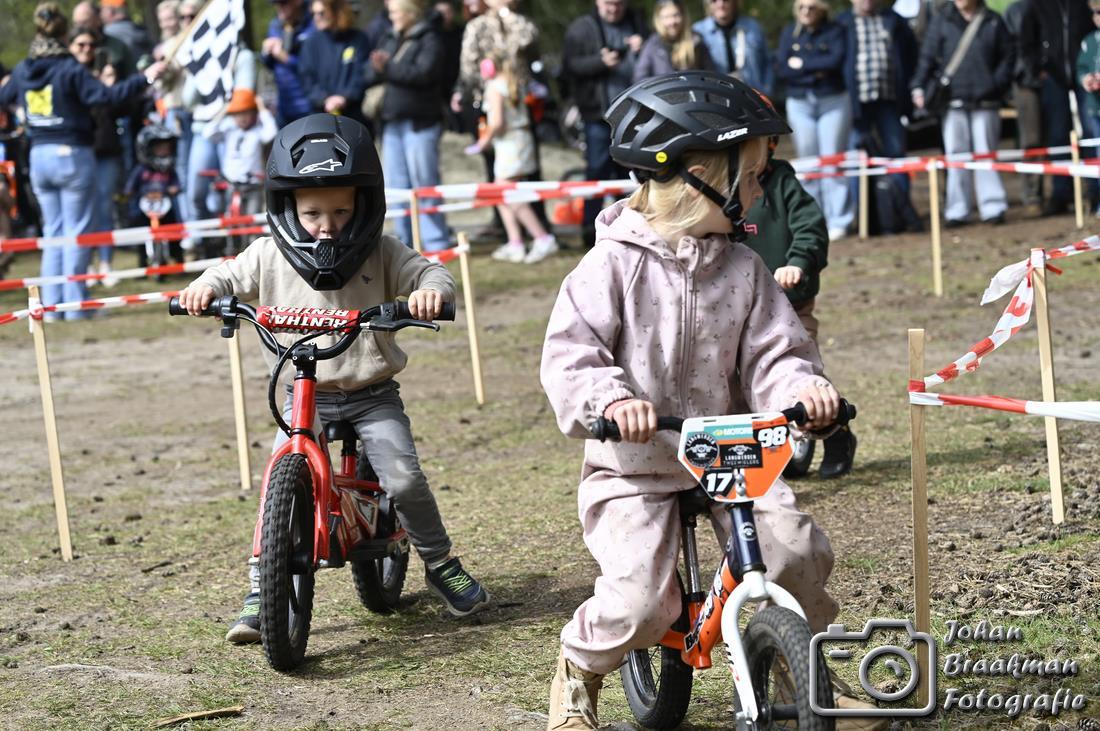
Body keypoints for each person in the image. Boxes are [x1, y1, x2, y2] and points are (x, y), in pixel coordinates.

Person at [539, 70, 874, 731]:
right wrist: (611, 400)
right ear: (700, 177)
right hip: (637, 465)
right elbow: (571, 358)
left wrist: (804, 391)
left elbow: (777, 352)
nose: (760, 192)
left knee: (794, 550)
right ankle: (577, 672)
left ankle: (805, 672)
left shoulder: (745, 270)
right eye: (750, 179)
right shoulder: (610, 267)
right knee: (639, 600)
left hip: (732, 456)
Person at [176, 113, 490, 643]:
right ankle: (260, 587)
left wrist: (429, 293)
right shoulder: (268, 254)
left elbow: (430, 272)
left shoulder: (381, 250)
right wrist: (204, 288)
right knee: (277, 476)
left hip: (371, 393)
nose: (327, 224)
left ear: (363, 205)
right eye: (313, 212)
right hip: (304, 395)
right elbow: (226, 274)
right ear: (288, 207)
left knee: (403, 478)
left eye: (341, 211)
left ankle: (440, 563)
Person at [0, 2, 164, 318]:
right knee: (77, 231)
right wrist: (144, 78)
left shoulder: (22, 69)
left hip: (39, 156)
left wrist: (25, 114)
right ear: (64, 34)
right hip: (72, 155)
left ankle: (48, 308)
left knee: (53, 233)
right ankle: (75, 307)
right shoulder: (69, 68)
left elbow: (4, 97)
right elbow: (107, 96)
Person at [744, 136, 857, 479]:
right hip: (743, 307)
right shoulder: (724, 190)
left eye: (753, 148)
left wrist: (797, 262)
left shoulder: (783, 184)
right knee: (750, 377)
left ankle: (837, 431)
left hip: (789, 302)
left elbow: (811, 228)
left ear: (770, 146)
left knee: (798, 367)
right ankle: (782, 446)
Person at [911, 0, 1014, 226]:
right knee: (956, 156)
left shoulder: (993, 21)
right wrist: (918, 86)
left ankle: (993, 207)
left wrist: (994, 85)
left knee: (986, 154)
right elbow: (927, 56)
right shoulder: (942, 20)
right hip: (952, 101)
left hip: (986, 101)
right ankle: (957, 210)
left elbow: (1008, 58)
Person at [562, 0, 649, 247]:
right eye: (609, 3)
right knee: (596, 172)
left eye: (619, 4)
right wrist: (600, 63)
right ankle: (589, 231)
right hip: (597, 116)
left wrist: (643, 47)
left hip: (634, 116)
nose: (614, 8)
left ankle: (632, 228)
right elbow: (569, 66)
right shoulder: (582, 27)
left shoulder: (638, 22)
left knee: (632, 173)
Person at [365, 0, 450, 252]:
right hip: (391, 123)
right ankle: (404, 246)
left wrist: (388, 67)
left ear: (409, 12)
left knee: (425, 183)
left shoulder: (430, 38)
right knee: (396, 187)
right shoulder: (388, 37)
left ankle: (435, 243)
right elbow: (370, 74)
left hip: (420, 123)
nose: (391, 17)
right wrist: (377, 67)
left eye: (395, 12)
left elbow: (424, 74)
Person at [469, 52, 559, 263]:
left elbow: (497, 122)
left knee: (506, 192)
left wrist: (484, 141)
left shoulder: (494, 87)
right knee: (499, 191)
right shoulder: (512, 83)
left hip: (510, 144)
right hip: (518, 141)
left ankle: (543, 238)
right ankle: (515, 242)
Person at [776, 0, 854, 241]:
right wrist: (815, 70)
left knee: (832, 160)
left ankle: (838, 219)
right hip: (800, 102)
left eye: (811, 7)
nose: (806, 12)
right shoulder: (790, 32)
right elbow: (782, 67)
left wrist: (801, 64)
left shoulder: (836, 31)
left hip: (833, 100)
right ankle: (813, 217)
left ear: (822, 9)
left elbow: (835, 61)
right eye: (801, 7)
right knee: (808, 162)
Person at [837, 0, 920, 214]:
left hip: (890, 100)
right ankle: (862, 214)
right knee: (855, 158)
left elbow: (912, 57)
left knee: (896, 154)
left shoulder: (895, 21)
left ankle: (902, 212)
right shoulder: (841, 23)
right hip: (854, 103)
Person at [69, 25, 130, 283]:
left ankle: (105, 265)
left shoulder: (105, 71)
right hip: (77, 151)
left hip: (105, 150)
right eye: (81, 44)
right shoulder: (67, 74)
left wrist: (110, 89)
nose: (87, 49)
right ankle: (84, 267)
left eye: (91, 45)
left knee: (104, 208)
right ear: (70, 46)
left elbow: (122, 109)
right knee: (81, 212)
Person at [1019, 0, 1092, 217]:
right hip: (1052, 77)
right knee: (1058, 135)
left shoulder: (1081, 4)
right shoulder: (1037, 5)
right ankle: (1061, 192)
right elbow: (1026, 41)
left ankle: (1094, 189)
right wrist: (1037, 68)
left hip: (1083, 76)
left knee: (1089, 134)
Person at [201, 88, 277, 218]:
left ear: (253, 113)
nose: (242, 118)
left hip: (253, 185)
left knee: (252, 218)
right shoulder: (229, 130)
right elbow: (207, 133)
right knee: (229, 218)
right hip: (231, 185)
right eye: (237, 114)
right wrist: (224, 110)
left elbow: (271, 132)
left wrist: (262, 109)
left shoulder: (258, 132)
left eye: (246, 113)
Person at [299, 0, 371, 125]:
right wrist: (324, 99)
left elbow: (362, 73)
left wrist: (345, 97)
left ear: (336, 10)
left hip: (354, 116)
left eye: (321, 13)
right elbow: (306, 78)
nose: (316, 18)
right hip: (321, 117)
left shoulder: (358, 39)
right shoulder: (310, 43)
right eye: (313, 14)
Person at [1004, 0, 1043, 210]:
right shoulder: (1016, 10)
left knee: (1059, 139)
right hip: (1026, 81)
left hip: (1054, 80)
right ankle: (1032, 195)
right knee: (1031, 140)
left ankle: (1063, 192)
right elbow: (1010, 48)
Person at [693, 0, 772, 94]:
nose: (721, 4)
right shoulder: (698, 32)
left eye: (726, 0)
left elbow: (768, 62)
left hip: (753, 96)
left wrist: (767, 90)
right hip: (716, 97)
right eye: (714, 0)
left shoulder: (753, 28)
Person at [261, 0, 315, 126]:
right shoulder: (275, 25)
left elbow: (315, 68)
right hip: (283, 105)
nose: (279, 7)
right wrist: (266, 52)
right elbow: (269, 65)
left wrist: (286, 58)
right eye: (276, 4)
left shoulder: (313, 24)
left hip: (308, 104)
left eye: (284, 3)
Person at [632, 0, 713, 82]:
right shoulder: (653, 44)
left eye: (675, 15)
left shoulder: (696, 41)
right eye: (666, 17)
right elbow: (640, 78)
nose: (672, 22)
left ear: (683, 15)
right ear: (659, 19)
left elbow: (710, 76)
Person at [1077, 0, 1100, 214]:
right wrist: (1086, 79)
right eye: (1095, 13)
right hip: (1095, 107)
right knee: (1095, 153)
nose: (1098, 17)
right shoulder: (1089, 41)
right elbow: (1081, 67)